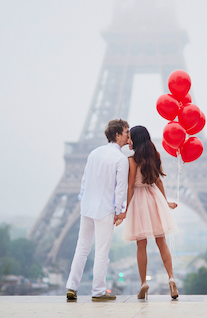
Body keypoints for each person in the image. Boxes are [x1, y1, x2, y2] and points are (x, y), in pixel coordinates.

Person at [65, 119, 130, 302]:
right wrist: (118, 211)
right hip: (105, 209)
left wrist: (83, 199)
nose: (128, 135)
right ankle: (98, 291)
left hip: (87, 207)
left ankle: (72, 287)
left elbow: (84, 181)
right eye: (126, 132)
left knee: (82, 249)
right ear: (117, 135)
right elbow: (120, 189)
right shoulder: (120, 159)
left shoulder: (94, 153)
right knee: (102, 252)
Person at [120, 125, 179, 299]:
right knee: (162, 243)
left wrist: (127, 210)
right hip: (154, 199)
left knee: (141, 245)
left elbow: (130, 186)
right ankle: (171, 278)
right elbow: (158, 181)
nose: (128, 141)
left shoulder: (131, 160)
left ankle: (143, 283)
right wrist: (165, 202)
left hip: (139, 200)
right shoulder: (155, 156)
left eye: (130, 138)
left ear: (136, 140)